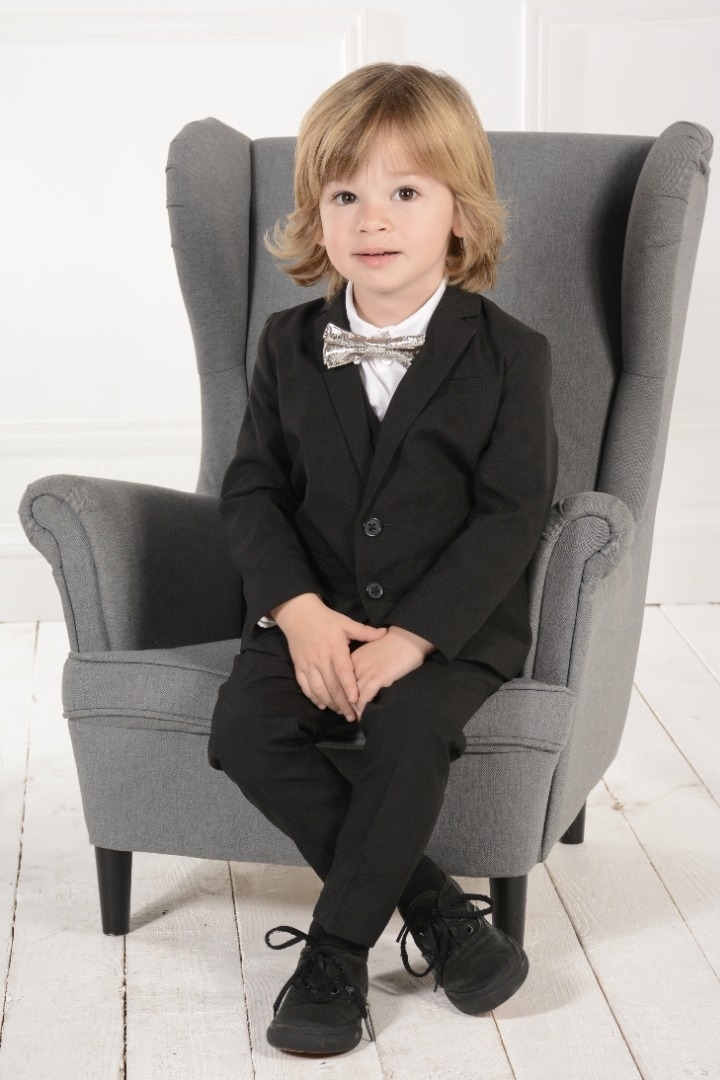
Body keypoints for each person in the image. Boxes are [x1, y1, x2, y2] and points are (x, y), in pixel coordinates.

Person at [207, 61, 558, 1055]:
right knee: (244, 730)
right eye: (345, 195)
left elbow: (510, 515)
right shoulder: (286, 344)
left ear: (459, 214)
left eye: (405, 192)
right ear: (316, 219)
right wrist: (298, 613)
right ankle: (439, 911)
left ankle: (333, 957)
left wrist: (412, 639)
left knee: (405, 734)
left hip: (449, 629)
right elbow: (253, 492)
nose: (373, 219)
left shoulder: (513, 355)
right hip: (312, 611)